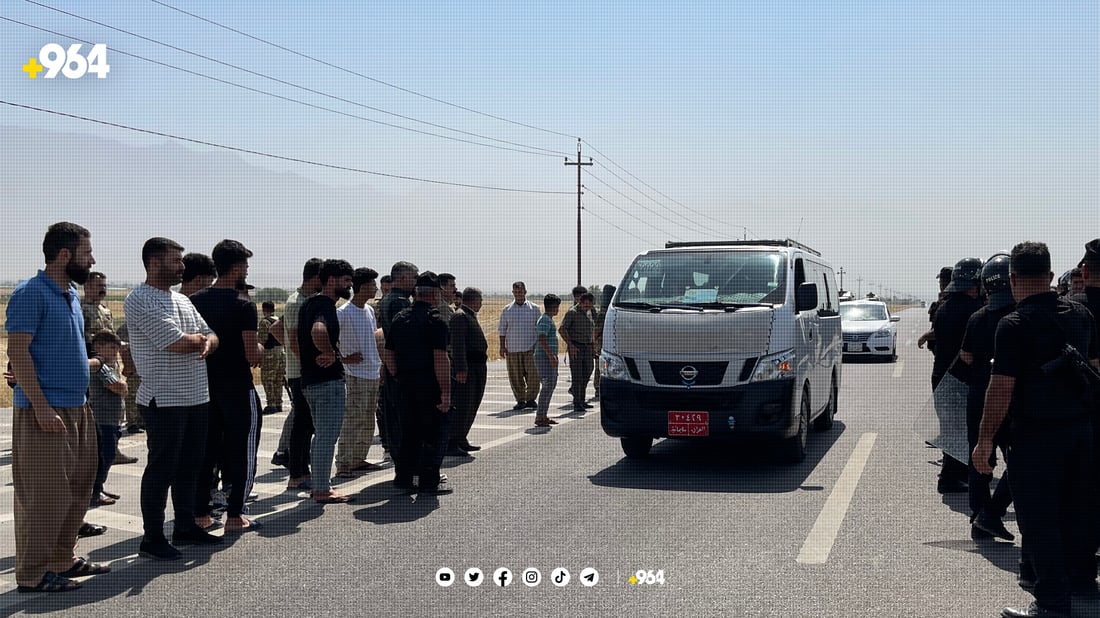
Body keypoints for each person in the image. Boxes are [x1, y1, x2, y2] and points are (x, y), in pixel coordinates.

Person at [973, 242, 1100, 618]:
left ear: (1012, 279)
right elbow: (1095, 370)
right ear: (1049, 276)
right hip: (1080, 432)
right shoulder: (1080, 316)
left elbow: (1001, 388)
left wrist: (984, 442)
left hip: (1036, 438)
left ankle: (1051, 604)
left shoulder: (1012, 325)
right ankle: (1078, 580)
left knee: (1039, 521)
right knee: (1076, 512)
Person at [6, 222, 105, 593]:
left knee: (79, 488)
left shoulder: (71, 296)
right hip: (44, 411)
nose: (92, 260)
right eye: (86, 253)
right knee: (44, 495)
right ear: (65, 255)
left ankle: (62, 559)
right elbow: (17, 351)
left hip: (78, 407)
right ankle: (32, 574)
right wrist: (41, 406)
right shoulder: (31, 292)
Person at [125, 237, 223, 561]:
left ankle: (184, 526)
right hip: (164, 398)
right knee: (162, 469)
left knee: (191, 467)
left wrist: (207, 340)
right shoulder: (140, 299)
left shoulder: (181, 300)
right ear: (155, 263)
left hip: (196, 395)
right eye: (176, 260)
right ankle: (152, 537)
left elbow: (211, 333)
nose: (182, 266)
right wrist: (201, 341)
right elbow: (174, 342)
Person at [189, 239, 264, 533]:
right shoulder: (243, 304)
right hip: (237, 386)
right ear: (236, 268)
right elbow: (251, 354)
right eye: (245, 265)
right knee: (242, 451)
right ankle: (235, 514)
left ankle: (201, 514)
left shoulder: (195, 300)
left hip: (205, 387)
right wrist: (258, 348)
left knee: (206, 452)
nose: (246, 270)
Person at [956, 253, 1015, 541]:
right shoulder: (1018, 317)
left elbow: (964, 358)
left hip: (979, 396)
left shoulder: (977, 318)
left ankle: (980, 516)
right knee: (1022, 459)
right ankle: (991, 512)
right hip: (1014, 399)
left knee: (980, 459)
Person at [382, 272, 453, 495]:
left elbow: (388, 353)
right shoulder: (436, 321)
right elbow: (440, 358)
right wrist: (446, 393)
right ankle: (428, 481)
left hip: (405, 384)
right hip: (428, 384)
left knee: (408, 432)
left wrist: (397, 376)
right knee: (432, 433)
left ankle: (403, 477)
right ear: (434, 295)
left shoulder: (400, 319)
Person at [298, 259, 356, 504]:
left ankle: (319, 484)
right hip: (326, 383)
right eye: (345, 280)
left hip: (310, 381)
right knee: (326, 436)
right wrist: (329, 353)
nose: (349, 285)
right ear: (331, 280)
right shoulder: (324, 305)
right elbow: (318, 331)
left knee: (320, 435)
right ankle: (322, 489)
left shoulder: (309, 302)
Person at [926, 257, 985, 493]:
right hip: (962, 378)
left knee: (953, 427)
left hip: (942, 375)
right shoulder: (974, 311)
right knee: (961, 429)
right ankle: (949, 478)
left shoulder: (944, 307)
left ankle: (958, 473)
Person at [269, 258, 322, 482]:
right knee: (303, 424)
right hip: (301, 373)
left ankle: (301, 469)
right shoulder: (296, 302)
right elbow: (293, 338)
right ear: (316, 277)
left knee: (307, 423)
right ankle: (297, 472)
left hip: (303, 370)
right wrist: (298, 357)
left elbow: (276, 328)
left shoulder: (306, 300)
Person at [335, 267, 384, 477]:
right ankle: (343, 463)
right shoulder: (343, 312)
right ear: (363, 286)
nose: (376, 288)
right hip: (355, 374)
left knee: (367, 419)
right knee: (353, 419)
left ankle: (358, 459)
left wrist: (380, 366)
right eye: (373, 284)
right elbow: (329, 341)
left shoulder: (369, 310)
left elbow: (373, 340)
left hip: (373, 371)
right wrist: (344, 359)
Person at [378, 261, 419, 469]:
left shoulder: (387, 300)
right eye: (413, 277)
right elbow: (405, 338)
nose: (415, 282)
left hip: (393, 364)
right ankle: (407, 463)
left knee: (395, 415)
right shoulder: (400, 302)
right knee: (406, 417)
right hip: (404, 366)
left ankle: (401, 460)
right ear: (402, 278)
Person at [88, 330, 127, 508]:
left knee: (107, 455)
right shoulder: (100, 366)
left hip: (111, 417)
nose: (115, 352)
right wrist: (123, 386)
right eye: (111, 348)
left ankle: (99, 487)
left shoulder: (108, 365)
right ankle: (95, 491)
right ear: (98, 347)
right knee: (104, 456)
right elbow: (117, 386)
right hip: (102, 418)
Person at [447, 287, 488, 454]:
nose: (481, 304)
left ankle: (461, 437)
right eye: (480, 300)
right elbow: (458, 345)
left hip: (477, 366)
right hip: (468, 367)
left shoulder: (468, 315)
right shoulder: (460, 316)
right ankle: (452, 441)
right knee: (463, 404)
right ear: (474, 300)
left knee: (472, 403)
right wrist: (461, 369)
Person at [498, 281, 541, 410]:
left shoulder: (534, 308)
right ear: (513, 293)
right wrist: (502, 346)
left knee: (533, 375)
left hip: (530, 348)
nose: (518, 294)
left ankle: (531, 399)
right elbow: (502, 330)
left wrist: (538, 345)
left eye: (520, 291)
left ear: (525, 292)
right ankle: (520, 400)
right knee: (515, 376)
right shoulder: (507, 310)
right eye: (516, 292)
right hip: (512, 349)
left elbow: (540, 328)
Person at [560, 290, 596, 412]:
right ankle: (577, 403)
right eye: (585, 305)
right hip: (576, 347)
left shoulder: (590, 313)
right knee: (577, 375)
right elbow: (562, 329)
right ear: (580, 302)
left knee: (588, 371)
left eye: (589, 305)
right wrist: (570, 345)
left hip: (587, 347)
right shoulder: (572, 313)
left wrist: (592, 347)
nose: (587, 307)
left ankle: (582, 399)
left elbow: (591, 330)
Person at [533, 294, 562, 427]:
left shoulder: (547, 319)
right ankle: (540, 416)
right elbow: (542, 338)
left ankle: (543, 415)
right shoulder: (544, 320)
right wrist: (550, 356)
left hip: (547, 356)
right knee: (548, 385)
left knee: (550, 385)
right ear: (554, 307)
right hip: (544, 357)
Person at [258, 300, 286, 415]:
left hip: (270, 352)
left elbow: (262, 340)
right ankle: (278, 403)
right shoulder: (279, 320)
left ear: (264, 310)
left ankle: (271, 404)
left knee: (268, 378)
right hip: (281, 351)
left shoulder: (265, 322)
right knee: (278, 379)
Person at [81, 271, 113, 354]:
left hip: (109, 360)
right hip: (91, 357)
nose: (103, 289)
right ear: (87, 287)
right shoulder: (79, 309)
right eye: (99, 286)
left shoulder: (106, 310)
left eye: (104, 286)